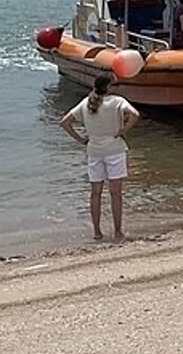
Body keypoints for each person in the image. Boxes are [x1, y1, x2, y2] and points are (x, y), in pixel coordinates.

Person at [58, 72, 140, 241]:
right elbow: (135, 115)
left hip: (94, 151)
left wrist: (81, 139)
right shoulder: (117, 102)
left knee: (95, 193)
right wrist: (124, 130)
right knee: (115, 193)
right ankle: (117, 232)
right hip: (115, 150)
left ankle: (97, 232)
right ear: (109, 87)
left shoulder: (86, 103)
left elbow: (64, 122)